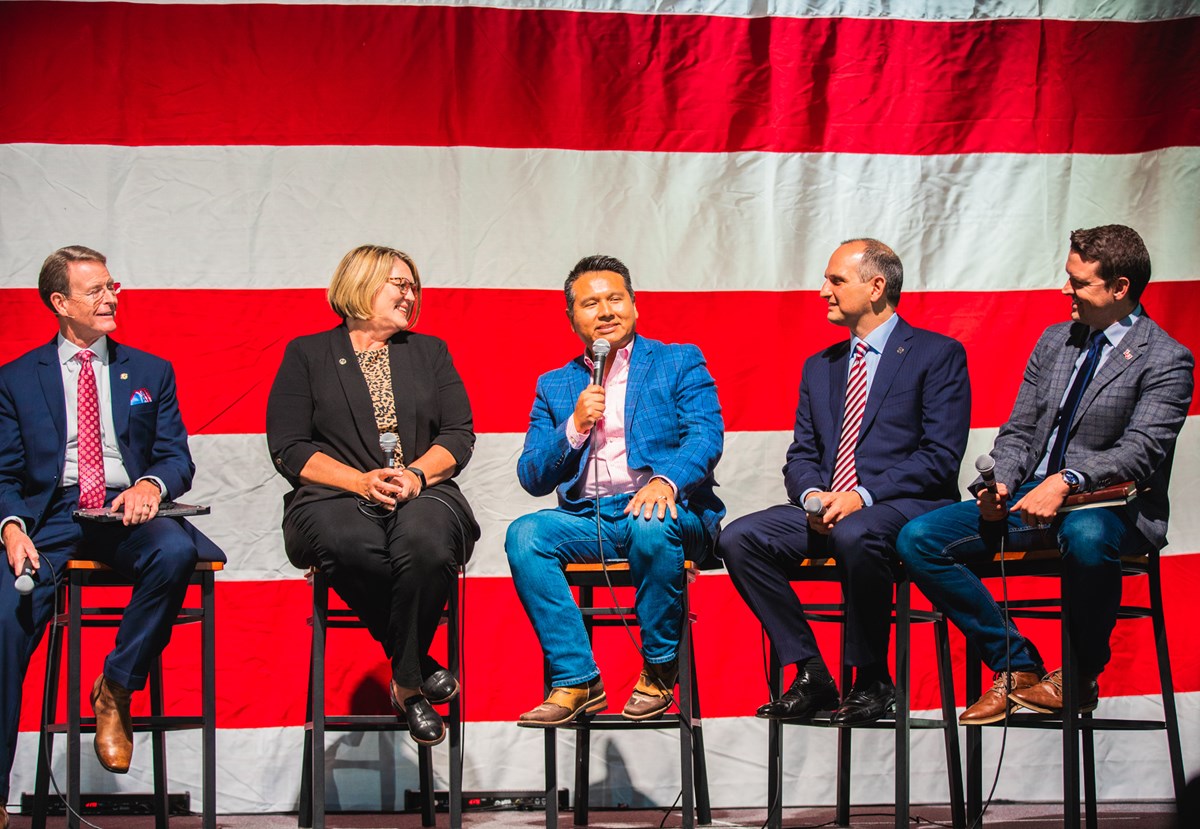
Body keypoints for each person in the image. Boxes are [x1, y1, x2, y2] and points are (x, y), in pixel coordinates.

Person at [897, 225, 1194, 724]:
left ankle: (1079, 676)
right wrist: (1001, 484)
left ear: (1120, 288)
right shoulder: (1055, 340)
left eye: (1078, 282)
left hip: (1111, 505)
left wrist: (1069, 480)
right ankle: (1017, 664)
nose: (1065, 290)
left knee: (1085, 532)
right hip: (1033, 496)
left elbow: (1142, 451)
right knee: (919, 539)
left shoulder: (1166, 358)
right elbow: (1019, 433)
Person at [0, 246, 225, 824]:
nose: (111, 298)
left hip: (127, 511)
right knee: (4, 620)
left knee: (175, 552)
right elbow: (3, 473)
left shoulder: (150, 371)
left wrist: (151, 483)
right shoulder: (17, 379)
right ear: (59, 303)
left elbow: (176, 457)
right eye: (95, 290)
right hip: (51, 516)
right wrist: (10, 527)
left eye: (113, 286)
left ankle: (117, 688)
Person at [717, 239, 971, 724]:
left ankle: (872, 677)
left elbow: (940, 458)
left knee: (858, 531)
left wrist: (860, 496)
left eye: (835, 280)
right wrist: (813, 497)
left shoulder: (937, 355)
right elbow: (802, 455)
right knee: (740, 538)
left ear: (876, 287)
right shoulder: (821, 367)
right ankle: (812, 672)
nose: (822, 291)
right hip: (831, 507)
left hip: (906, 506)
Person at [266, 245, 479, 747]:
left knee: (426, 542)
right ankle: (418, 667)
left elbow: (458, 435)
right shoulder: (307, 354)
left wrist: (416, 477)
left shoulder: (430, 352)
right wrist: (360, 481)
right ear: (359, 286)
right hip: (332, 496)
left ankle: (405, 682)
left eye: (413, 285)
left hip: (420, 490)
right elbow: (289, 448)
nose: (410, 293)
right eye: (398, 283)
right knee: (346, 539)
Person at [505, 254, 724, 726]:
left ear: (634, 305)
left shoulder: (678, 360)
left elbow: (705, 435)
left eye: (615, 299)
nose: (605, 311)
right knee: (525, 534)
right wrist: (573, 427)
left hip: (670, 511)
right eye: (590, 303)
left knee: (650, 522)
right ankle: (576, 678)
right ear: (572, 318)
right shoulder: (555, 385)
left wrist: (665, 482)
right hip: (592, 518)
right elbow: (531, 475)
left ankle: (661, 667)